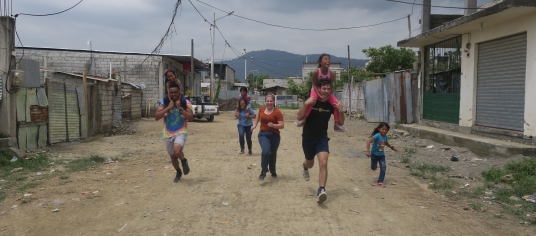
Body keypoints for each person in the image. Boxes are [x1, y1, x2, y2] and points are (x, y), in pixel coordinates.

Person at [297, 79, 345, 204]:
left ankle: (321, 190)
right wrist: (306, 104)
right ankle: (305, 166)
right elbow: (299, 117)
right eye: (324, 88)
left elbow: (341, 123)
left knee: (323, 163)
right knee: (310, 163)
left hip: (322, 138)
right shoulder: (312, 101)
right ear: (318, 89)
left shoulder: (331, 104)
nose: (326, 91)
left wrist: (341, 109)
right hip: (308, 138)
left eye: (329, 89)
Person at [295, 54, 346, 132]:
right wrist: (319, 95)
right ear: (320, 62)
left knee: (336, 104)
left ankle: (336, 124)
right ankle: (304, 119)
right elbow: (315, 84)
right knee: (312, 101)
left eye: (329, 59)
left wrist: (328, 96)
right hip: (315, 90)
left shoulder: (331, 74)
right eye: (325, 59)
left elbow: (330, 86)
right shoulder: (316, 72)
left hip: (325, 91)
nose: (328, 60)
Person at [155, 82, 194, 183]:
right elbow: (156, 117)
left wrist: (180, 107)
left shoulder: (186, 102)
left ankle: (184, 161)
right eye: (171, 92)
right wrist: (168, 107)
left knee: (177, 151)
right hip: (167, 133)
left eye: (176, 92)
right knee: (173, 157)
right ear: (168, 92)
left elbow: (191, 117)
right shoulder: (164, 102)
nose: (173, 94)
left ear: (180, 92)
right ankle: (178, 171)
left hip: (181, 130)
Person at [251, 94, 284, 180]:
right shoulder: (261, 109)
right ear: (265, 102)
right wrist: (254, 125)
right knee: (266, 152)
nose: (269, 103)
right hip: (263, 134)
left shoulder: (277, 112)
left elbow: (282, 125)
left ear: (274, 102)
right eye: (267, 101)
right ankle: (263, 171)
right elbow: (258, 116)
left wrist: (273, 125)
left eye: (271, 101)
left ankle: (273, 171)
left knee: (272, 154)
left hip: (274, 136)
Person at [366, 122, 399, 187]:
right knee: (373, 168)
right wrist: (367, 151)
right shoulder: (377, 135)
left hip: (381, 155)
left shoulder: (385, 137)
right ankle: (374, 166)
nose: (384, 131)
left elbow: (386, 143)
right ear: (379, 129)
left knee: (383, 168)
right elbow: (369, 141)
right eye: (382, 129)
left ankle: (380, 182)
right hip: (374, 154)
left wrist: (392, 147)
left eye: (386, 130)